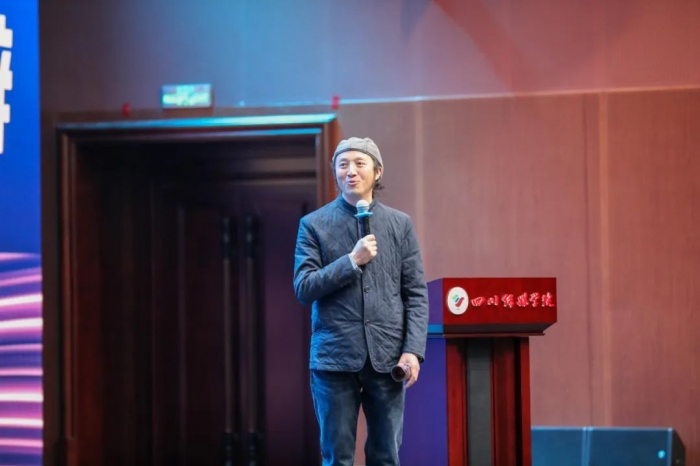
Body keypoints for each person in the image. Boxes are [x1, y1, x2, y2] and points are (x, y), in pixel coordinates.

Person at [293, 137, 429, 466]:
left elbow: (415, 293)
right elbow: (304, 287)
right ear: (335, 173)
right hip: (334, 359)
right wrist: (351, 261)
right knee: (337, 458)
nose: (350, 171)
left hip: (388, 358)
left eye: (359, 163)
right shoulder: (313, 224)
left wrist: (412, 350)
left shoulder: (399, 224)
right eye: (343, 165)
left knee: (385, 456)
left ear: (377, 171)